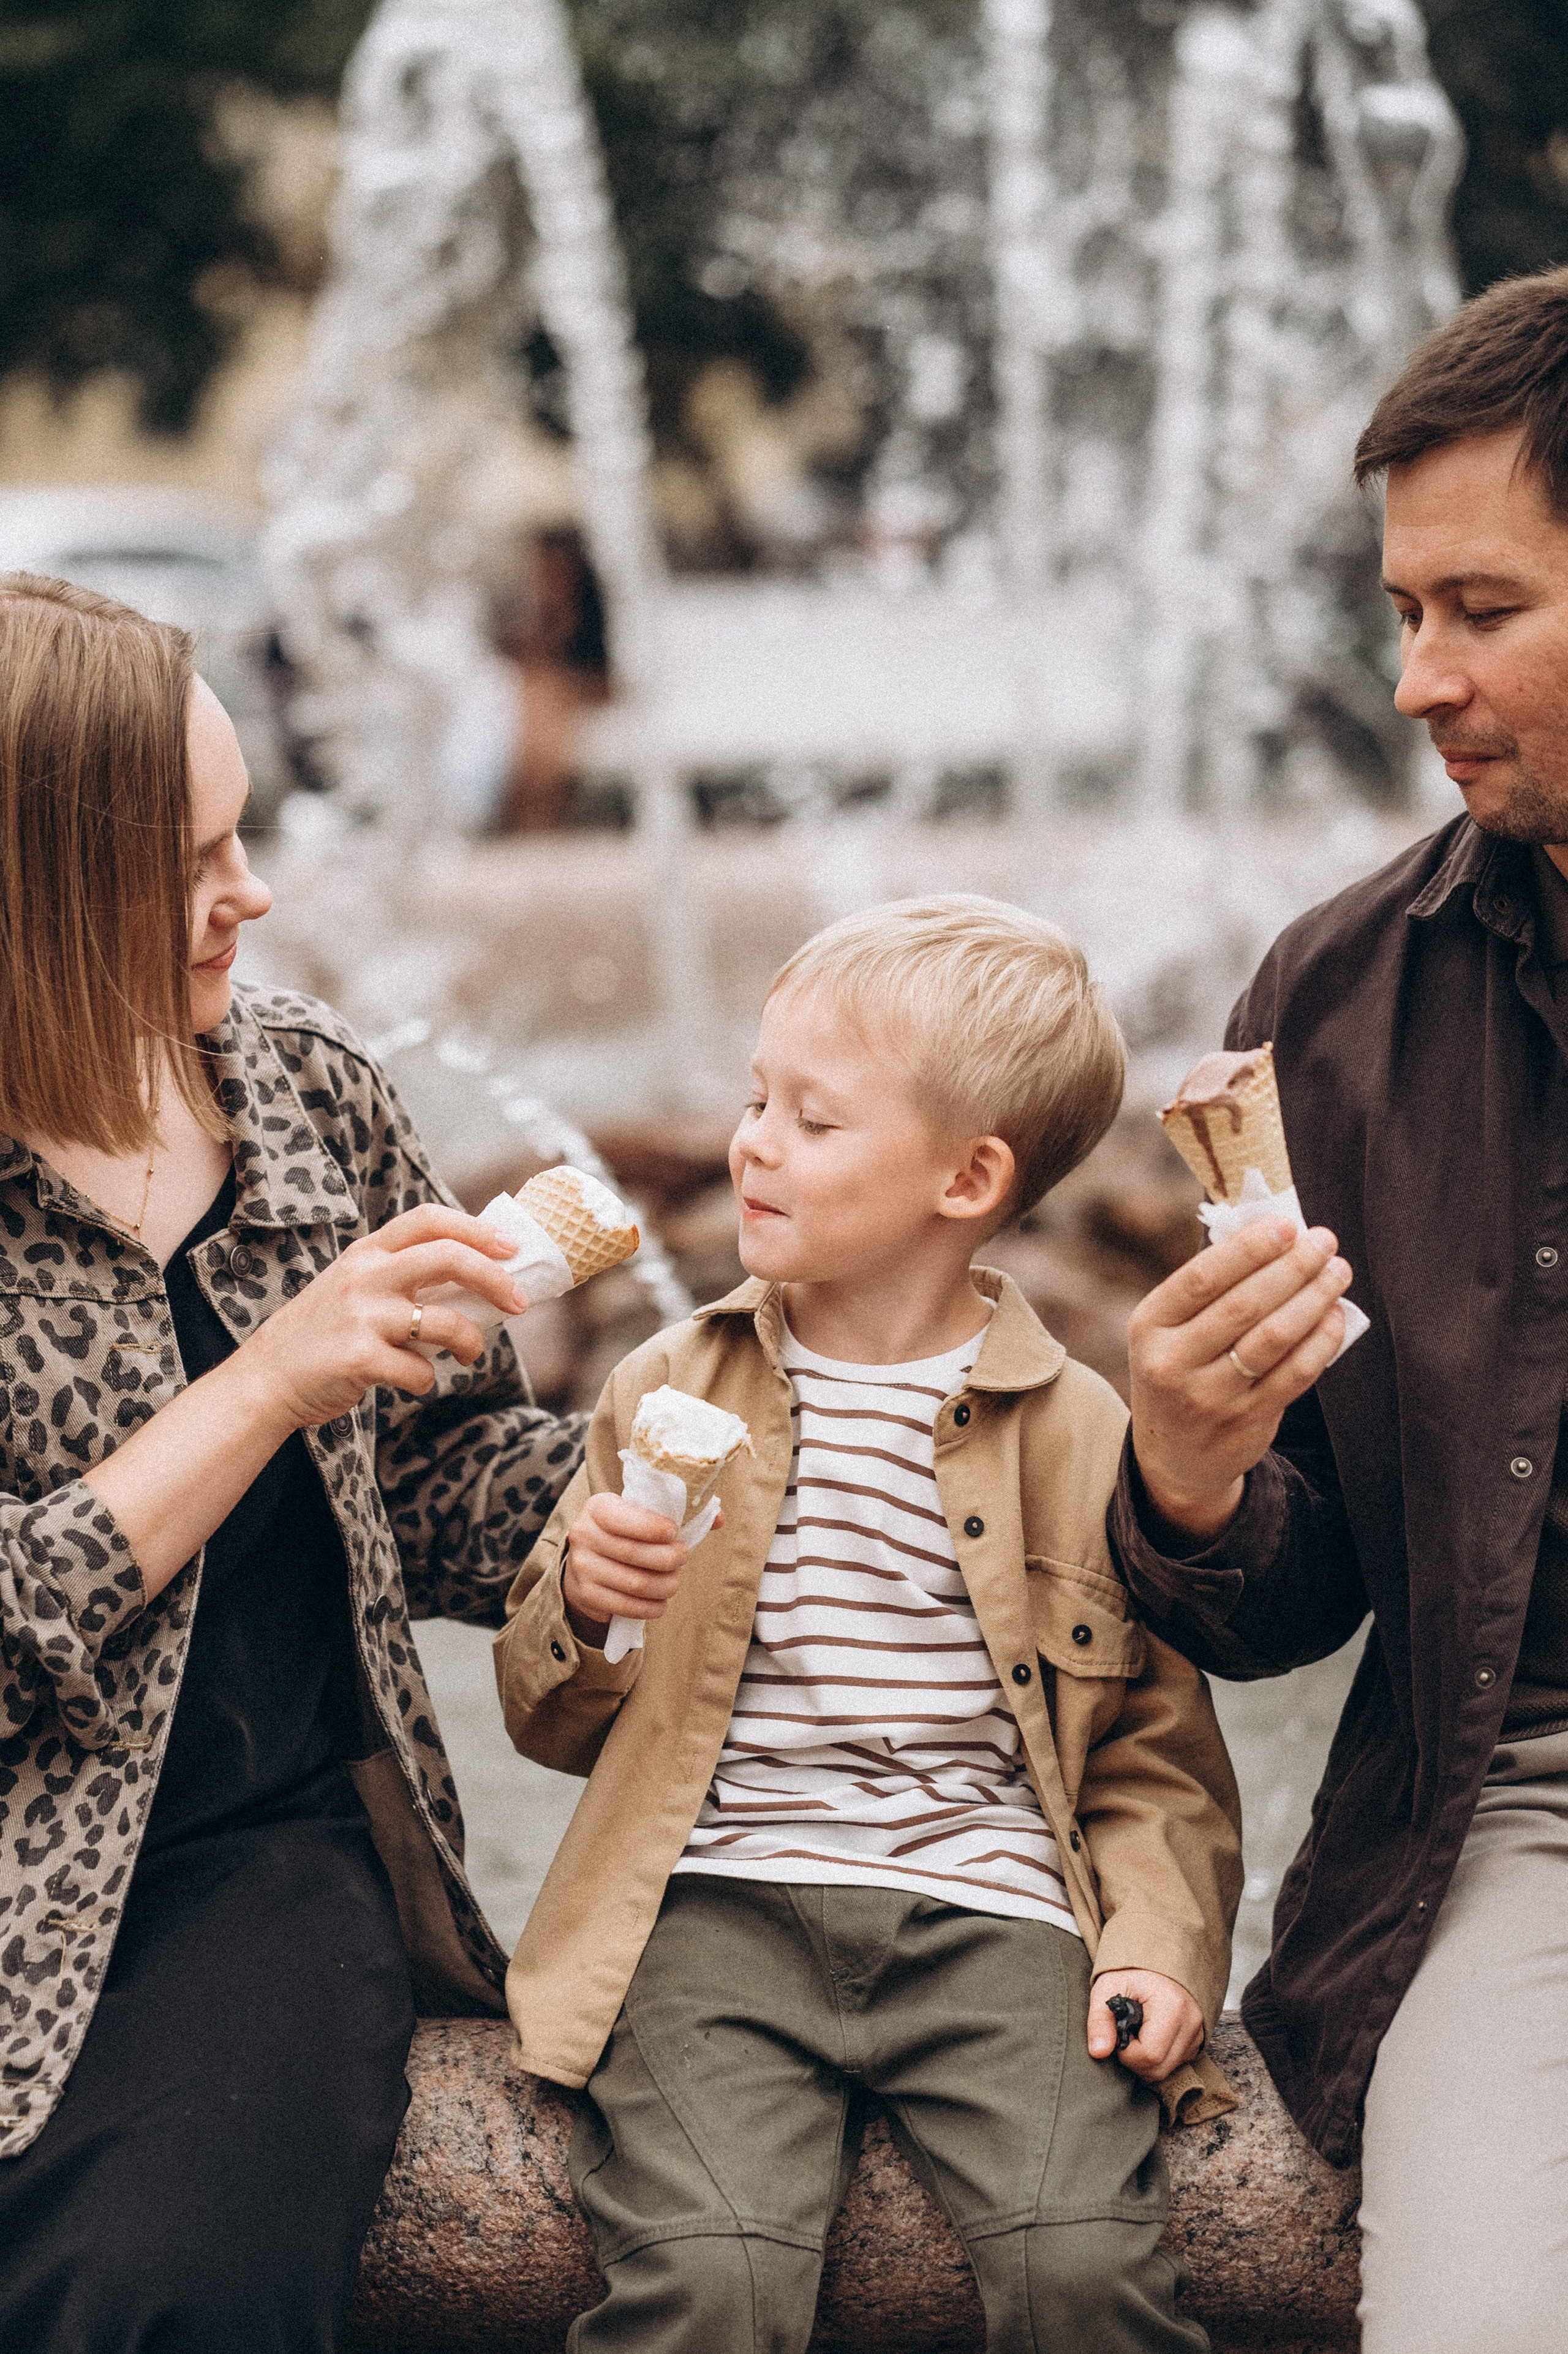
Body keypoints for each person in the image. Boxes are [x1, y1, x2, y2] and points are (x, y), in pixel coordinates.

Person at [495, 896, 1242, 2353]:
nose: (753, 1141)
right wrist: (588, 1603)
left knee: (1082, 2268)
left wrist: (1155, 1947)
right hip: (710, 1908)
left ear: (967, 1176)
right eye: (755, 1097)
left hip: (997, 1919)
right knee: (708, 2277)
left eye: (813, 1119)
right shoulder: (666, 1379)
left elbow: (1150, 1753)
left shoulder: (1081, 1430)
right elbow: (549, 1716)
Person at [0, 573, 585, 2352]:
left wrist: (654, 1462)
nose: (247, 895)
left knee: (177, 2282)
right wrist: (263, 1382)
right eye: (186, 862)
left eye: (240, 834)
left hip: (248, 1850)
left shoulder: (313, 1095)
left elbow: (432, 1480)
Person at [1110, 265, 1568, 2354]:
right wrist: (1195, 1478)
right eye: (1404, 614)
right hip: (1531, 1809)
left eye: (1483, 610)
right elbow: (1297, 1590)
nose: (1418, 678)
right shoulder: (1334, 1001)